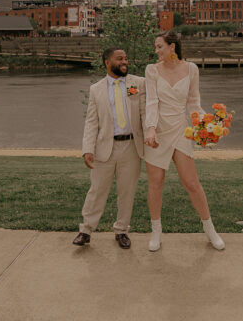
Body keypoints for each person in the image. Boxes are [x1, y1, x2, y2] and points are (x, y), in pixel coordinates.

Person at [143, 31, 225, 252]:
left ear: (172, 47)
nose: (157, 51)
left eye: (160, 46)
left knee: (191, 183)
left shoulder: (191, 69)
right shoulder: (151, 70)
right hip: (157, 132)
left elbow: (194, 103)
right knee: (156, 182)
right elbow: (151, 102)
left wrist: (207, 124)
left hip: (180, 129)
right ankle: (156, 231)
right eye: (156, 47)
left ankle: (210, 229)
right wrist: (150, 129)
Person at [73, 48, 146, 249]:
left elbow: (144, 113)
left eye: (126, 58)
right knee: (96, 191)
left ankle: (121, 231)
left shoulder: (137, 84)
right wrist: (87, 149)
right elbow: (91, 122)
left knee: (127, 191)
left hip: (131, 147)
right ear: (107, 62)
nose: (125, 61)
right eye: (119, 58)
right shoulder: (96, 89)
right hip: (104, 147)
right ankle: (85, 231)